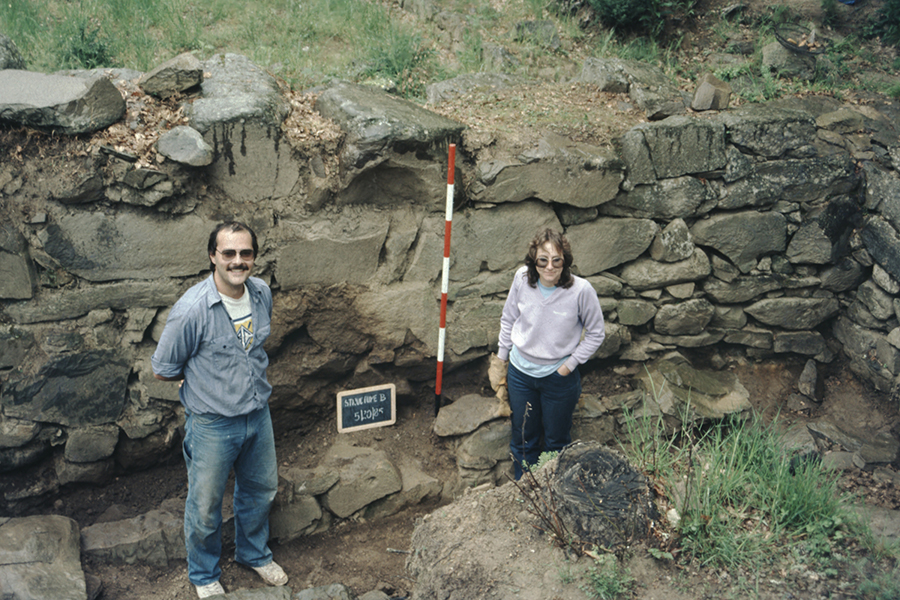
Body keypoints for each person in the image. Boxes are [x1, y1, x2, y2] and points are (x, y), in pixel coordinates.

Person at [151, 221, 288, 598]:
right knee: (206, 505)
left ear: (254, 257)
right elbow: (163, 368)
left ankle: (254, 555)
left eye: (245, 253)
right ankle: (203, 574)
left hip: (258, 414)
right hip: (212, 424)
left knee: (260, 490)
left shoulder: (260, 293)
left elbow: (253, 349)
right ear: (213, 256)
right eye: (228, 253)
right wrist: (196, 381)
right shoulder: (192, 310)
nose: (237, 261)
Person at [492, 228, 606, 480]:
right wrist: (502, 357)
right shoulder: (522, 278)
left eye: (557, 260)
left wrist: (569, 365)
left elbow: (597, 333)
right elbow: (509, 316)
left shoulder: (581, 290)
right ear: (534, 260)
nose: (550, 267)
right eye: (543, 260)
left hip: (559, 378)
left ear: (565, 261)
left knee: (556, 440)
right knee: (523, 438)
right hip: (521, 374)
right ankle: (523, 489)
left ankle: (551, 494)